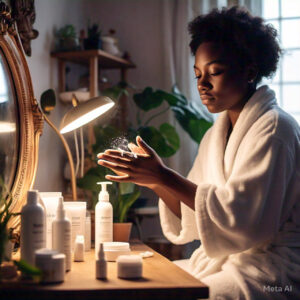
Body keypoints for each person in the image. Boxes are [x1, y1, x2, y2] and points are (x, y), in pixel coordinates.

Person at [97, 6, 300, 300]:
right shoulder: (215, 135)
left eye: (215, 72)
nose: (203, 84)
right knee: (150, 282)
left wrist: (165, 176)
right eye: (197, 75)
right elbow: (194, 216)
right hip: (228, 261)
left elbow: (243, 222)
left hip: (274, 272)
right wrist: (155, 181)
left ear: (250, 71)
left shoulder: (275, 129)